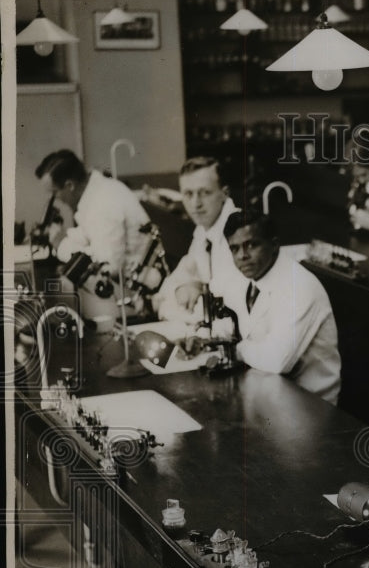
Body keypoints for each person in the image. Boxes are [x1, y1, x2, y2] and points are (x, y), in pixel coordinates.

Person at [192, 209, 341, 405]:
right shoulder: (248, 275)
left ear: (274, 244)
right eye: (234, 249)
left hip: (309, 406)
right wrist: (198, 335)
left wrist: (234, 349)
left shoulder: (300, 286)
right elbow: (214, 296)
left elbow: (276, 361)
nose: (242, 256)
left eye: (251, 245)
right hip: (266, 394)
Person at [153, 157, 243, 322]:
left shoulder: (240, 231)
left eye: (205, 193)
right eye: (188, 194)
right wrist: (182, 287)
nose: (195, 203)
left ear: (225, 193)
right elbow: (166, 291)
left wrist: (198, 289)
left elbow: (228, 306)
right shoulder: (203, 231)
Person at [35, 149, 149, 271]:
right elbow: (89, 233)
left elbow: (107, 266)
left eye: (54, 193)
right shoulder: (98, 189)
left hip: (135, 282)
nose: (56, 199)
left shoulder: (102, 202)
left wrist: (62, 244)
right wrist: (62, 237)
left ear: (69, 186)